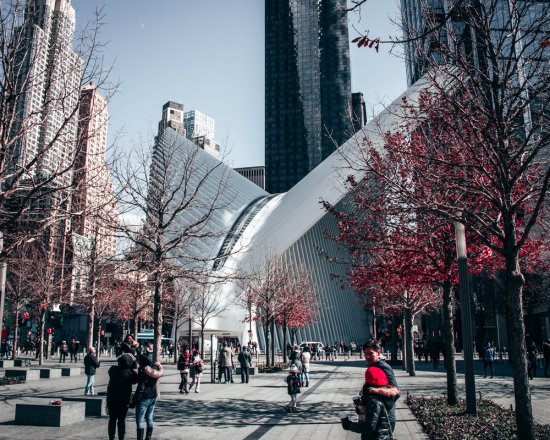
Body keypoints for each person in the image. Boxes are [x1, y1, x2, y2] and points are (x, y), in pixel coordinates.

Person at [341, 366, 393, 440]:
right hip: (382, 436)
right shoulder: (384, 394)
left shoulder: (374, 400)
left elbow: (369, 426)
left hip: (376, 437)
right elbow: (374, 415)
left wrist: (349, 425)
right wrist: (359, 404)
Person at [362, 339, 400, 431]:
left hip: (384, 419)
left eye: (370, 353)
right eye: (365, 354)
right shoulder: (374, 365)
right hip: (376, 417)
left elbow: (395, 392)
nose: (367, 357)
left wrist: (376, 397)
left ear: (378, 353)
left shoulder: (383, 366)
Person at [131, 355, 163, 440]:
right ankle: (148, 437)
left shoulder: (143, 371)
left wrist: (134, 401)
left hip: (144, 398)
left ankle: (140, 438)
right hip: (153, 396)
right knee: (149, 417)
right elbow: (160, 373)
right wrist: (160, 366)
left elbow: (140, 388)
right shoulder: (153, 370)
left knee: (140, 420)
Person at [107, 354, 138, 440]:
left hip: (111, 398)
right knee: (121, 420)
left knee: (112, 419)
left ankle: (111, 437)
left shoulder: (112, 370)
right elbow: (135, 379)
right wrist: (134, 363)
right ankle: (121, 437)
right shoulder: (130, 374)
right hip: (124, 399)